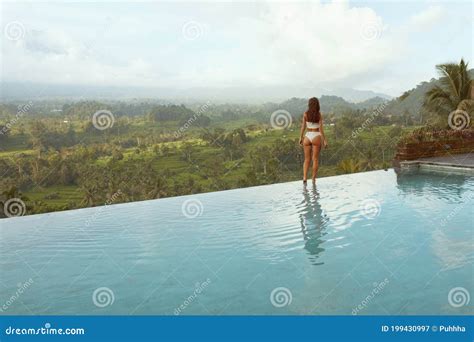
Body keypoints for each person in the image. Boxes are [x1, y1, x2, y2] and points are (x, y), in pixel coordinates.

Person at [299, 97, 328, 184]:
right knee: (315, 159)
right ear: (317, 105)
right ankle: (313, 179)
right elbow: (321, 129)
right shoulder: (319, 115)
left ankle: (304, 177)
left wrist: (300, 137)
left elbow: (303, 127)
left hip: (307, 136)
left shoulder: (305, 114)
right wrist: (325, 140)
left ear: (309, 104)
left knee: (306, 159)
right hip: (316, 136)